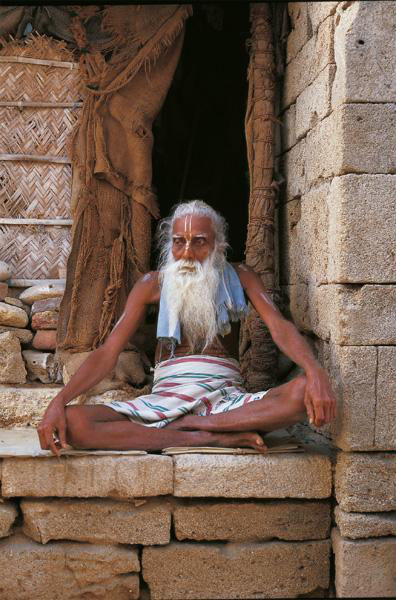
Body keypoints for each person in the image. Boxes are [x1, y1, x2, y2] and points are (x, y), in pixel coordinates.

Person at [37, 200, 336, 455]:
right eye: (179, 241)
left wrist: (314, 371)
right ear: (170, 245)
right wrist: (59, 400)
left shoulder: (241, 276)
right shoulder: (151, 285)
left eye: (199, 241)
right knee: (74, 424)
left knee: (301, 394)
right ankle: (205, 437)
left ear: (219, 245)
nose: (188, 252)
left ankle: (199, 425)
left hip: (227, 404)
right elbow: (107, 352)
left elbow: (279, 327)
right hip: (165, 401)